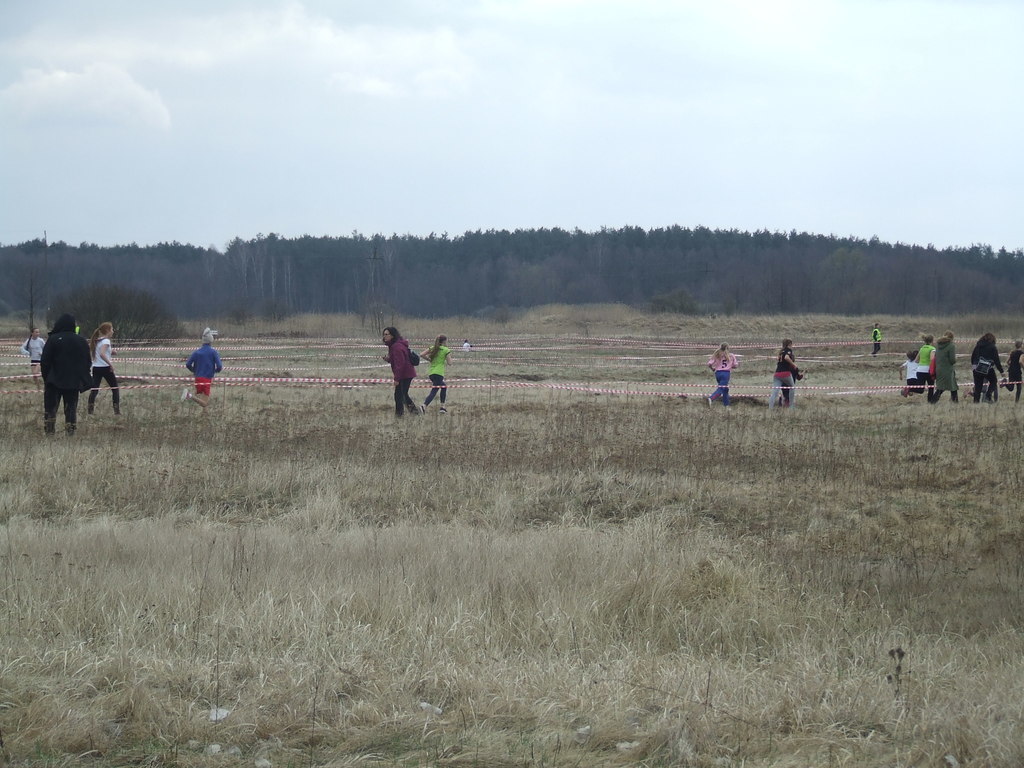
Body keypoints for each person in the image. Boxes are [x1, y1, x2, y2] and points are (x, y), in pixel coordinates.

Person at [40, 313, 92, 435]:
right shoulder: (81, 341)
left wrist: (46, 378)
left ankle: (49, 432)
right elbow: (87, 362)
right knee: (71, 408)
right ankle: (70, 432)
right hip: (73, 381)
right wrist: (81, 377)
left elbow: (45, 361)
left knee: (51, 409)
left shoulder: (53, 339)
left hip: (54, 380)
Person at [382, 326, 418, 417]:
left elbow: (400, 364)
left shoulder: (396, 347)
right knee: (401, 395)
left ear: (392, 335)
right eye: (384, 334)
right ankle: (411, 413)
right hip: (406, 373)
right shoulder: (394, 345)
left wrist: (397, 379)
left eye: (386, 334)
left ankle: (402, 414)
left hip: (405, 374)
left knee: (400, 395)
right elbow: (397, 360)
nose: (384, 336)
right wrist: (389, 359)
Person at [182, 327, 223, 407]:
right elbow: (219, 366)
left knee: (201, 400)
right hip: (207, 379)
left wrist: (194, 370)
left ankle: (203, 416)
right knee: (204, 403)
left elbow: (188, 364)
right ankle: (188, 395)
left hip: (197, 378)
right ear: (211, 340)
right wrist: (215, 371)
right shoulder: (213, 352)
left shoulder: (197, 352)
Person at [87, 322, 120, 415]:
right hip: (105, 368)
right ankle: (117, 411)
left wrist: (111, 352)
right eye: (112, 329)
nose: (113, 331)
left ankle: (90, 411)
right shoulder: (106, 341)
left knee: (94, 389)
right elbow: (102, 354)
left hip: (96, 368)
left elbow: (101, 352)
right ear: (107, 330)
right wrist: (111, 364)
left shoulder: (98, 340)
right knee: (115, 388)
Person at [421, 334, 453, 414]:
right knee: (434, 391)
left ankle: (442, 407)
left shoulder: (433, 348)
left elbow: (421, 354)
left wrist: (429, 359)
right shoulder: (446, 350)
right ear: (444, 341)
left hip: (432, 373)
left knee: (444, 387)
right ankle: (424, 406)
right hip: (439, 373)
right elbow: (450, 363)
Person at [969, 332, 1003, 404]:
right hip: (987, 368)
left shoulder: (978, 345)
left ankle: (976, 403)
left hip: (976, 368)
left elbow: (973, 356)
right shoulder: (992, 347)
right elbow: (997, 360)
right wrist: (1001, 371)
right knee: (993, 381)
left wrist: (974, 366)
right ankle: (988, 396)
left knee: (978, 387)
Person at [768, 339, 799, 409]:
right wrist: (794, 365)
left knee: (774, 392)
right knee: (792, 387)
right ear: (789, 344)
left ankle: (770, 408)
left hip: (777, 373)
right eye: (792, 344)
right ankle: (791, 406)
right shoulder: (788, 350)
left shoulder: (781, 352)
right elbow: (786, 357)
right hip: (786, 373)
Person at [929, 331, 958, 404]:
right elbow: (952, 360)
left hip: (939, 369)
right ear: (951, 338)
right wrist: (955, 359)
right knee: (947, 387)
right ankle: (933, 401)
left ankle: (955, 402)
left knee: (948, 387)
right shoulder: (951, 346)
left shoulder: (938, 345)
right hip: (948, 369)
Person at [707, 343, 739, 407]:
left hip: (718, 373)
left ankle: (726, 405)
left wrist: (712, 369)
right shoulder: (731, 355)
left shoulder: (717, 354)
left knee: (725, 389)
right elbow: (735, 365)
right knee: (721, 388)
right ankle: (711, 398)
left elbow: (709, 364)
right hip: (726, 374)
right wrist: (730, 366)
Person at [915, 334, 936, 401]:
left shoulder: (922, 348)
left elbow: (916, 360)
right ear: (932, 341)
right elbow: (932, 359)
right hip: (928, 371)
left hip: (920, 370)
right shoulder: (932, 349)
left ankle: (909, 389)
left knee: (920, 389)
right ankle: (930, 401)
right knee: (931, 387)